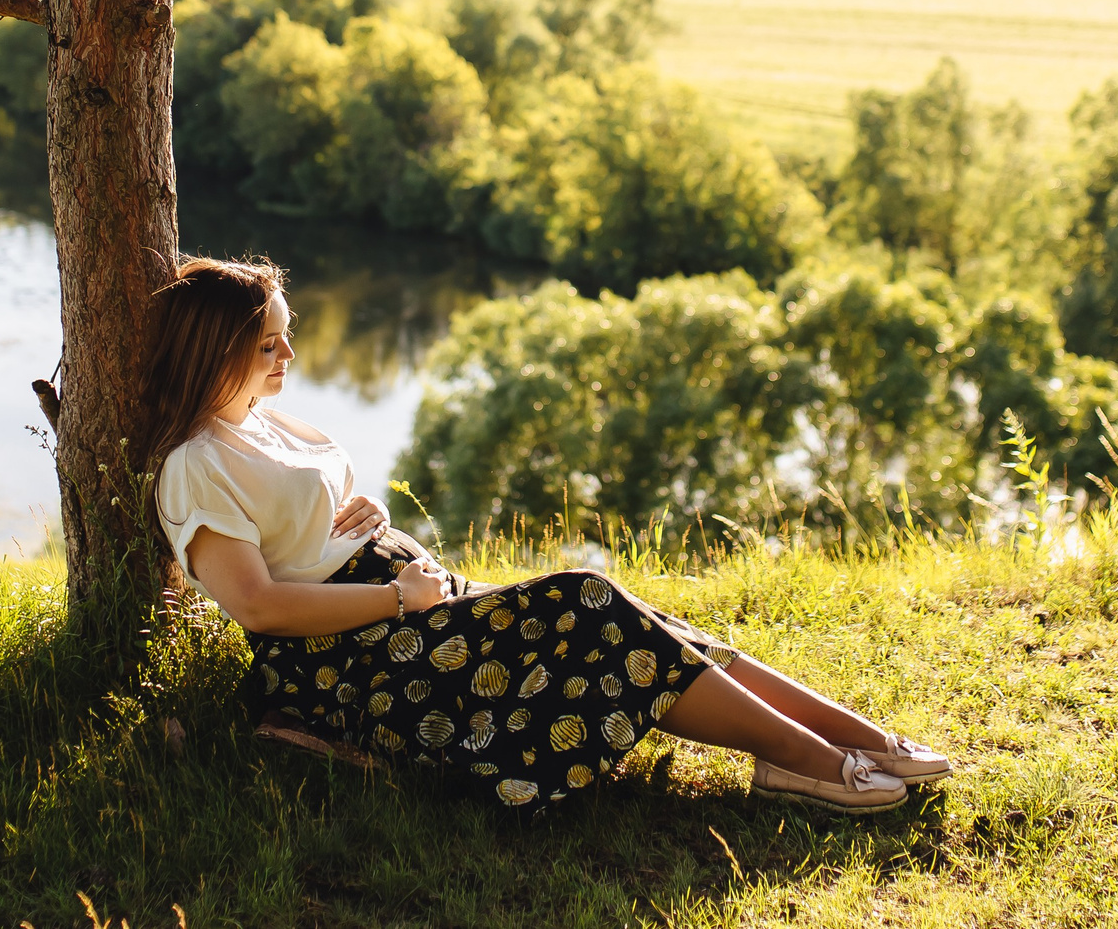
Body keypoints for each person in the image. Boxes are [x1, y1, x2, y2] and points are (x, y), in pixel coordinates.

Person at [147, 256, 954, 815]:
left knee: (650, 623)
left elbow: (321, 514)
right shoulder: (194, 464)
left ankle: (858, 739)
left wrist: (377, 527)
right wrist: (395, 593)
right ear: (215, 350)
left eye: (286, 331)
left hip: (417, 610)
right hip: (359, 663)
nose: (289, 350)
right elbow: (257, 606)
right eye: (268, 342)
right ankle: (807, 766)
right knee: (585, 599)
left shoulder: (266, 421)